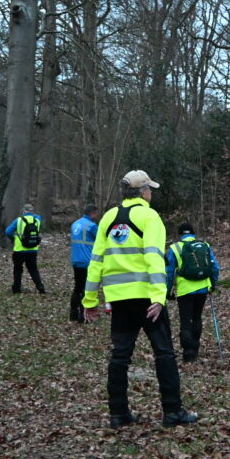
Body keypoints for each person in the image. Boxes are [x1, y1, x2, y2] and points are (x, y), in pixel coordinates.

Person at [82, 170, 197, 428]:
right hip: (147, 298)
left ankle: (118, 414)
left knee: (120, 357)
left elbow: (95, 262)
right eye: (150, 189)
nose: (152, 193)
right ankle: (173, 411)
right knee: (164, 354)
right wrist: (159, 297)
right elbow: (154, 258)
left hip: (119, 300)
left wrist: (89, 300)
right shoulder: (150, 216)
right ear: (143, 192)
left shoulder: (109, 218)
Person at [165, 223, 221, 362]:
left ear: (180, 234)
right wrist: (213, 284)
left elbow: (169, 272)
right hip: (203, 287)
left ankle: (188, 352)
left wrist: (168, 291)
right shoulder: (205, 245)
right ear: (193, 233)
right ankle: (195, 348)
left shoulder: (175, 248)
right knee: (197, 317)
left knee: (185, 321)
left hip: (185, 289)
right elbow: (215, 267)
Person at [70, 204, 104, 322]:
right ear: (93, 213)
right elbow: (102, 239)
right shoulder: (92, 226)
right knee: (86, 289)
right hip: (87, 261)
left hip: (76, 260)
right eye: (96, 213)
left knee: (77, 288)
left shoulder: (75, 224)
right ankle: (82, 316)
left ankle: (73, 313)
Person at [5, 203, 46, 295]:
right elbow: (38, 217)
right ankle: (40, 287)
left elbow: (8, 232)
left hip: (19, 250)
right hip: (33, 249)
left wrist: (14, 239)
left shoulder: (19, 220)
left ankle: (16, 289)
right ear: (32, 212)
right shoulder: (37, 220)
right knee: (33, 269)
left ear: (24, 211)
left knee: (18, 269)